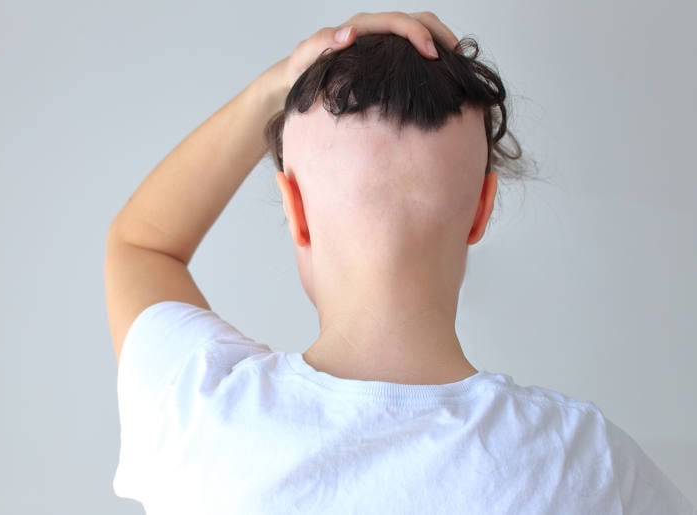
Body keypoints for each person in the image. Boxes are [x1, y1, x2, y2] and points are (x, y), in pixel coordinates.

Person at [104, 11, 696, 514]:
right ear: (480, 210)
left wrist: (276, 85)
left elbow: (141, 243)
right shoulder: (586, 465)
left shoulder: (198, 417)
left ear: (296, 209)